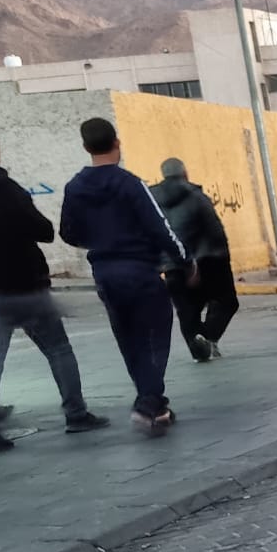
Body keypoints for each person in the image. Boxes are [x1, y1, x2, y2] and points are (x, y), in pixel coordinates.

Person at [59, 117, 191, 435]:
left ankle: (155, 404)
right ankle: (148, 402)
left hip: (105, 273)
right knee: (156, 336)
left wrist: (97, 241)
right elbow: (160, 227)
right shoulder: (130, 184)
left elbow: (67, 232)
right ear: (116, 143)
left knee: (128, 338)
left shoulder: (74, 188)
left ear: (85, 147)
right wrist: (185, 260)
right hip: (139, 270)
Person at [0, 134, 109, 451]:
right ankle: (76, 414)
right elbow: (43, 230)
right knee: (58, 349)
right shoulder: (8, 190)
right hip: (26, 286)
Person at [151, 157, 238, 362]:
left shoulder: (150, 199)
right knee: (227, 301)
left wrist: (157, 263)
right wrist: (221, 260)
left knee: (187, 311)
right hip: (206, 259)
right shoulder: (196, 196)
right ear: (185, 173)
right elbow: (215, 231)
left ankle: (198, 348)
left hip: (172, 265)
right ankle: (207, 339)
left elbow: (147, 232)